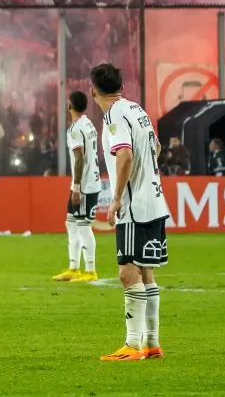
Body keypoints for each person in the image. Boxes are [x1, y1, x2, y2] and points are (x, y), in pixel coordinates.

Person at [90, 63, 168, 361]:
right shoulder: (137, 109)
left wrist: (118, 197)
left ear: (93, 88)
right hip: (154, 200)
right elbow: (156, 147)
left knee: (127, 273)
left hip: (135, 206)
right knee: (146, 272)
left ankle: (132, 345)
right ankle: (151, 343)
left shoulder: (114, 116)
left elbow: (124, 154)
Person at [52, 91, 100, 282]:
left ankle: (90, 270)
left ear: (70, 106)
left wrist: (78, 188)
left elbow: (79, 159)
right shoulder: (88, 124)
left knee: (83, 226)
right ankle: (74, 267)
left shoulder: (75, 129)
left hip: (85, 185)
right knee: (71, 222)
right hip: (84, 182)